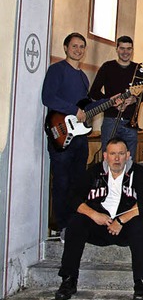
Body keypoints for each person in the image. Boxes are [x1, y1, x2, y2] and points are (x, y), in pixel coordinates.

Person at [54, 137, 143, 300]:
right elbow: (73, 198)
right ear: (105, 156)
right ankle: (68, 280)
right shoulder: (94, 171)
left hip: (124, 228)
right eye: (113, 154)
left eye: (121, 154)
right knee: (76, 222)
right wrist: (94, 215)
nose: (116, 158)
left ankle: (141, 283)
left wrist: (121, 220)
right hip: (99, 225)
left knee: (139, 227)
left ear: (128, 155)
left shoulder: (137, 172)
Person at [42, 32, 92, 238]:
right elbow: (48, 97)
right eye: (74, 46)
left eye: (81, 47)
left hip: (79, 138)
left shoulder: (83, 77)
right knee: (61, 181)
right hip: (60, 136)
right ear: (65, 48)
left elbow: (85, 108)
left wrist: (113, 101)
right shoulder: (56, 70)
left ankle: (74, 223)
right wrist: (72, 110)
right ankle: (59, 225)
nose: (78, 50)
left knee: (78, 182)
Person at [89, 35, 143, 161]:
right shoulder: (107, 67)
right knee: (108, 159)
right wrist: (110, 101)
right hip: (111, 120)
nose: (125, 52)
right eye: (122, 48)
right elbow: (93, 92)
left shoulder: (139, 70)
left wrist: (134, 99)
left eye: (129, 49)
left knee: (129, 160)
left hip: (130, 122)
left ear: (132, 50)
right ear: (117, 49)